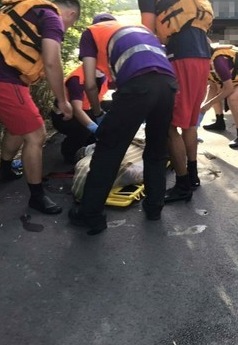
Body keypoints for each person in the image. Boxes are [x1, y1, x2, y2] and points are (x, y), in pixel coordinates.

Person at [68, 16, 177, 235]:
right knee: (156, 150)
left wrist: (98, 113)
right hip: (168, 85)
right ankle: (154, 208)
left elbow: (90, 83)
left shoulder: (92, 33)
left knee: (108, 150)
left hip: (138, 85)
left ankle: (91, 216)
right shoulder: (136, 29)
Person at [0, 0, 81, 214]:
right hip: (1, 80)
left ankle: (4, 171)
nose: (66, 29)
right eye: (71, 24)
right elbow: (51, 61)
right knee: (36, 135)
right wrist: (62, 101)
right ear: (70, 14)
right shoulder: (53, 19)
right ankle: (37, 196)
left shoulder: (33, 10)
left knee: (19, 126)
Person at [124, 0, 213, 202]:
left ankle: (183, 185)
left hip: (181, 58)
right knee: (190, 122)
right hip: (203, 57)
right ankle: (192, 175)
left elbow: (146, 33)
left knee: (169, 125)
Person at [50, 63, 110, 164]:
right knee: (84, 130)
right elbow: (77, 110)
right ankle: (69, 153)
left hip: (87, 109)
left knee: (115, 108)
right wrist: (95, 128)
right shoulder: (77, 80)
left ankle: (89, 141)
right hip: (64, 116)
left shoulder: (103, 73)